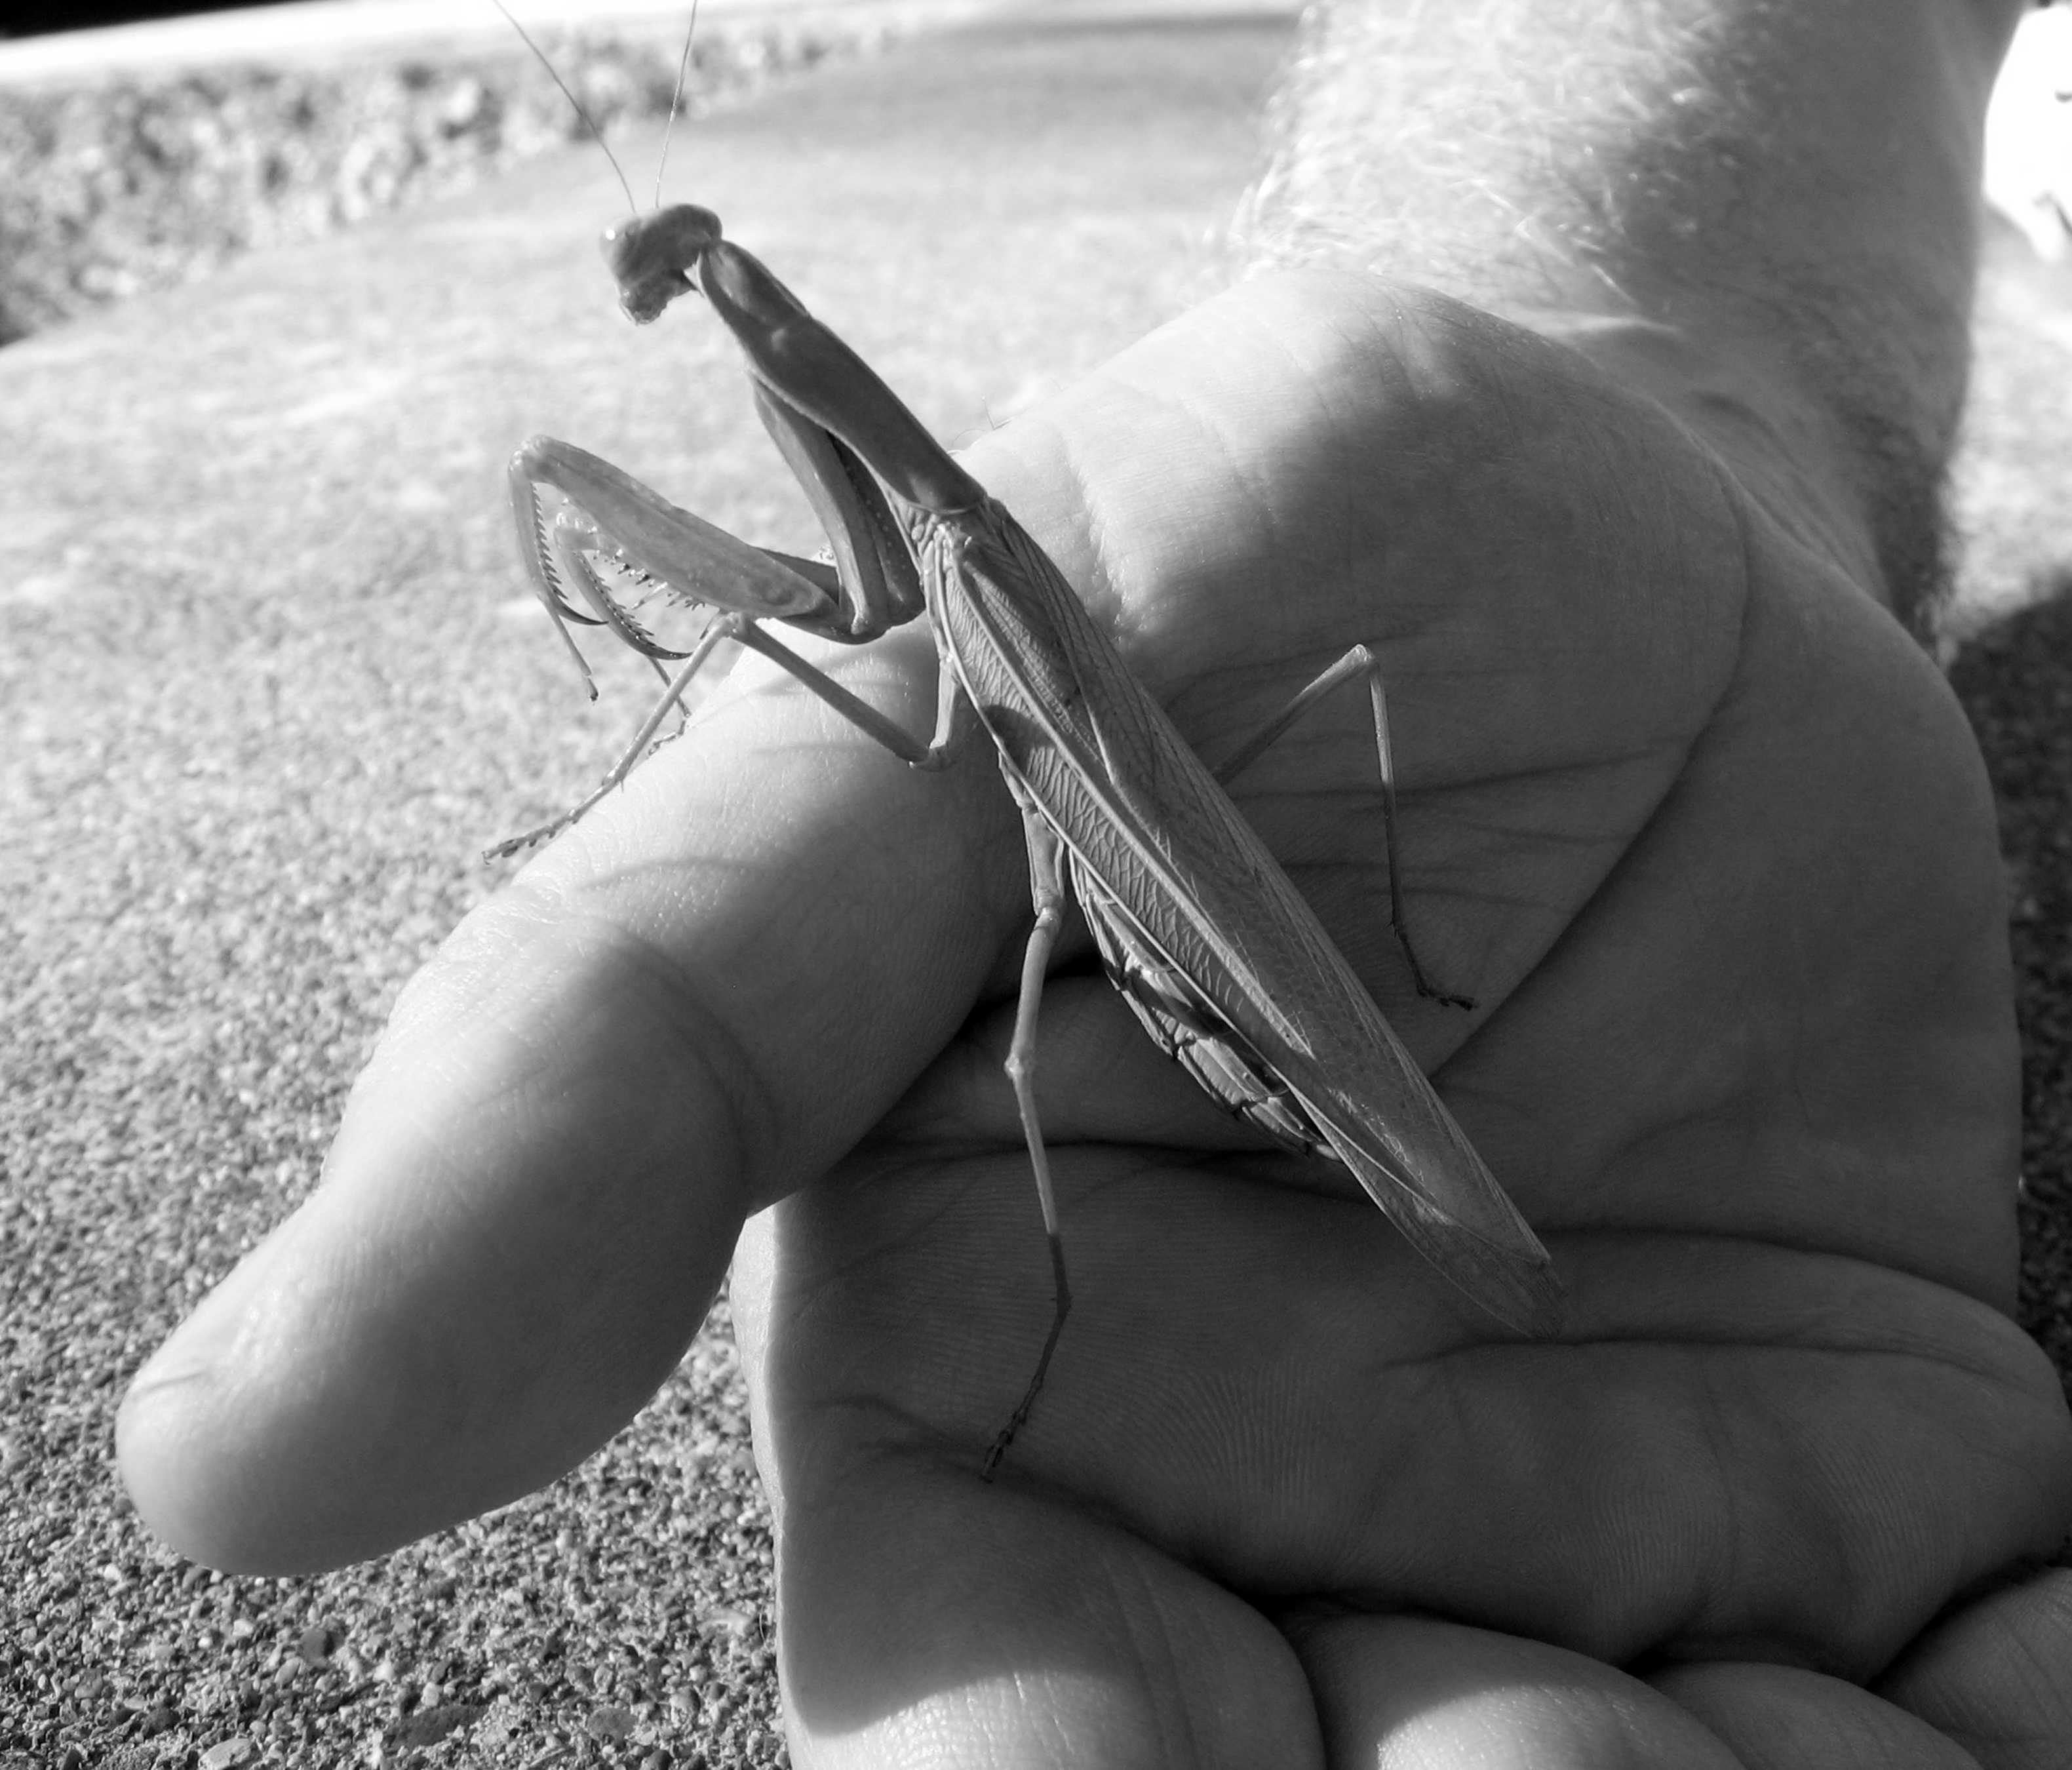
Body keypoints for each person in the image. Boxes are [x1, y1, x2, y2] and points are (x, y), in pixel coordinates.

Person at [117, 0, 2072, 1762]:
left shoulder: (958, 556)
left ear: (734, 294)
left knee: (1028, 1050)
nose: (654, 283)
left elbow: (849, 644)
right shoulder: (950, 539)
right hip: (1205, 890)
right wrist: (1675, 394)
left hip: (1201, 955)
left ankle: (1104, 1293)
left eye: (675, 268)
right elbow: (862, 615)